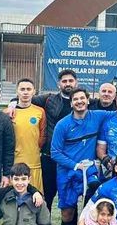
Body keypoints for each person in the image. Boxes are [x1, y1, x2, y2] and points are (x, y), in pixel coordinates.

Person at [50, 88, 117, 225]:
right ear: (71, 103)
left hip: (90, 172)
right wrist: (75, 165)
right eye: (75, 99)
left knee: (91, 210)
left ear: (88, 101)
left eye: (82, 98)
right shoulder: (63, 124)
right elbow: (55, 152)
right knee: (67, 213)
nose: (79, 102)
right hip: (68, 172)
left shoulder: (97, 115)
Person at [21, 69, 79, 210]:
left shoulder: (83, 101)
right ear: (59, 84)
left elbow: (107, 104)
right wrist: (12, 103)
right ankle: (43, 224)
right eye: (64, 81)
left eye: (70, 81)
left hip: (71, 160)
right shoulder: (48, 99)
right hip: (50, 158)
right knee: (46, 197)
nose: (68, 84)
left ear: (76, 83)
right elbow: (25, 100)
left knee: (70, 202)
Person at [12, 78, 47, 193]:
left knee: (34, 197)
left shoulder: (40, 111)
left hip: (34, 163)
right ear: (17, 91)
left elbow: (43, 135)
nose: (25, 92)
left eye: (28, 89)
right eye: (22, 89)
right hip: (15, 161)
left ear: (34, 91)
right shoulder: (9, 112)